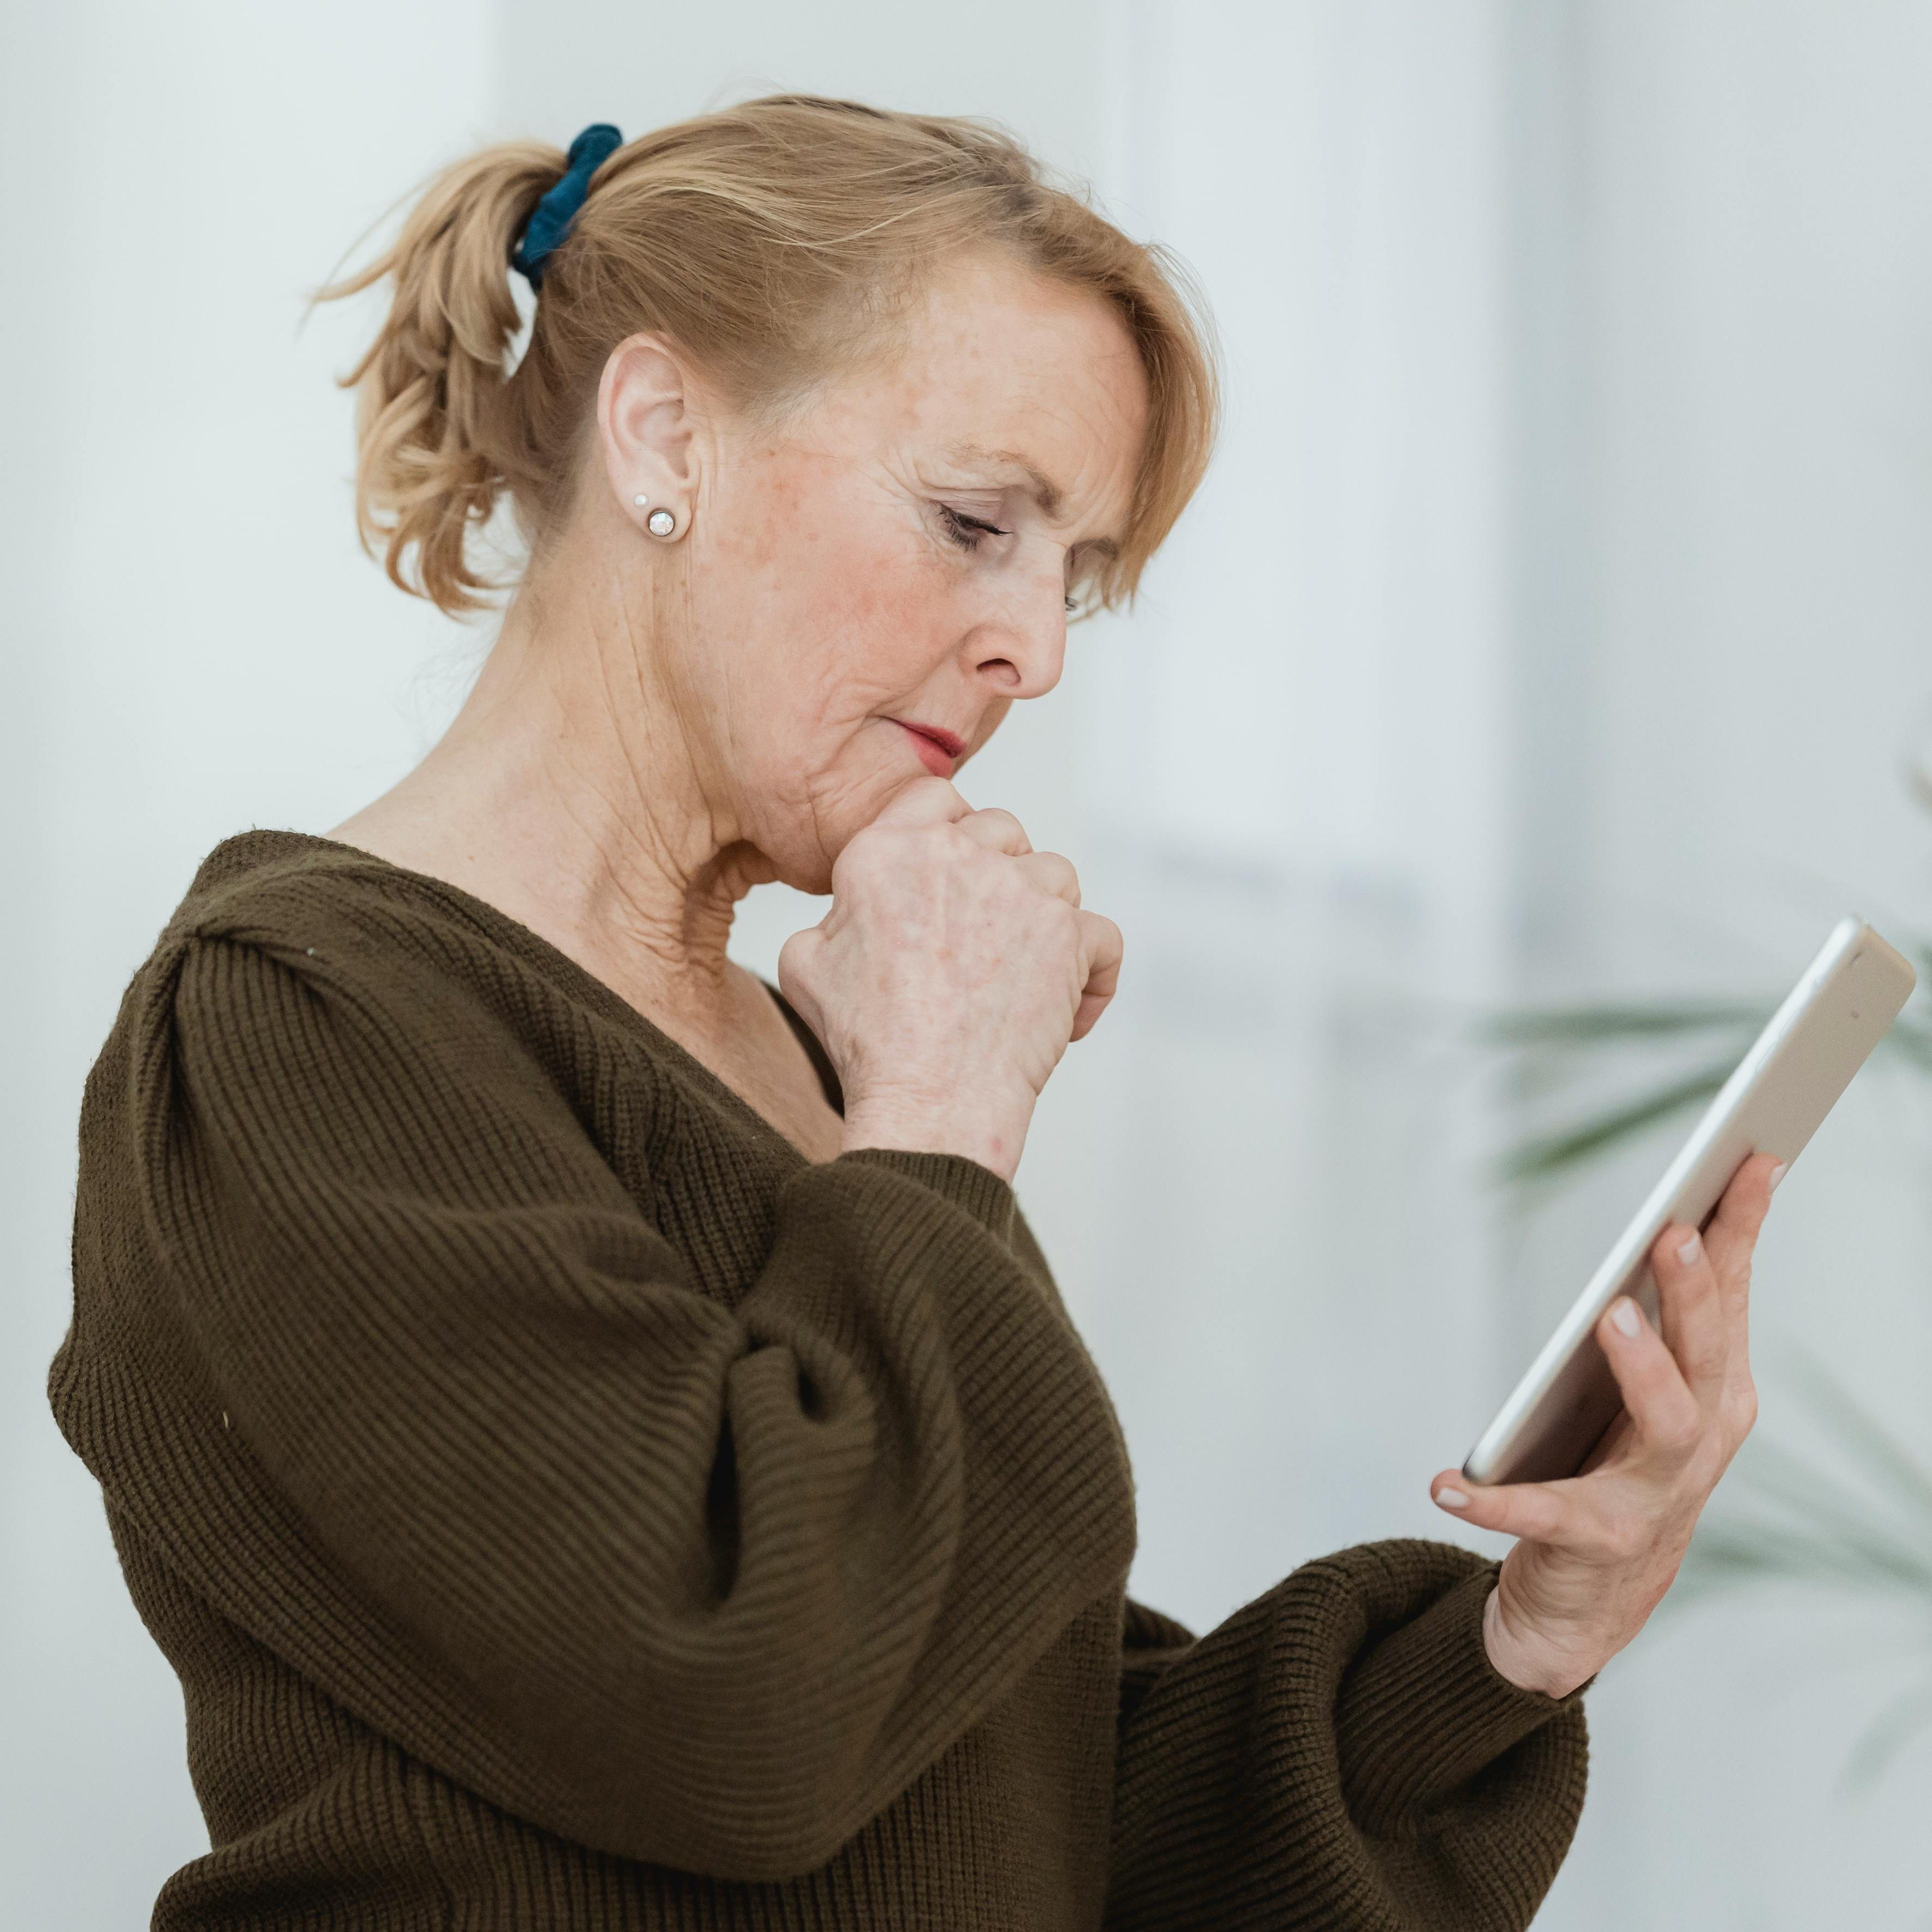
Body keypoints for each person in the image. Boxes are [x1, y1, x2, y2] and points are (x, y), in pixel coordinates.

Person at [50, 97, 1776, 1930]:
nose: (1032, 645)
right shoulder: (292, 1031)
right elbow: (748, 1709)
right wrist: (945, 1100)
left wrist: (1512, 1644)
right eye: (974, 521)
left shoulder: (817, 1079)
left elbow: (1000, 1811)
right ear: (665, 437)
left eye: (1072, 576)